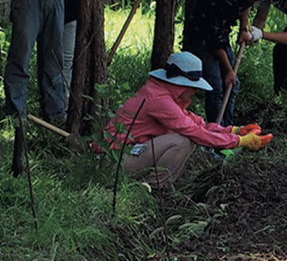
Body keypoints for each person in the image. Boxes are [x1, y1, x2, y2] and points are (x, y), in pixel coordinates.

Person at [103, 52, 273, 189]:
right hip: (113, 162)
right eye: (193, 88)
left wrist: (233, 131)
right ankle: (154, 188)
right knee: (183, 141)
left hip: (124, 154)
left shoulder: (163, 93)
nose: (195, 92)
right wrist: (239, 141)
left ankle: (151, 186)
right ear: (182, 84)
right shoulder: (160, 101)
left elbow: (198, 124)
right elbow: (195, 132)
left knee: (185, 136)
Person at [180, 0, 277, 126]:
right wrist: (229, 70)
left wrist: (243, 27)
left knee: (232, 85)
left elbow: (245, 4)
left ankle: (227, 128)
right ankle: (216, 134)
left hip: (219, 33)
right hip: (201, 37)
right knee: (217, 86)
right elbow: (215, 40)